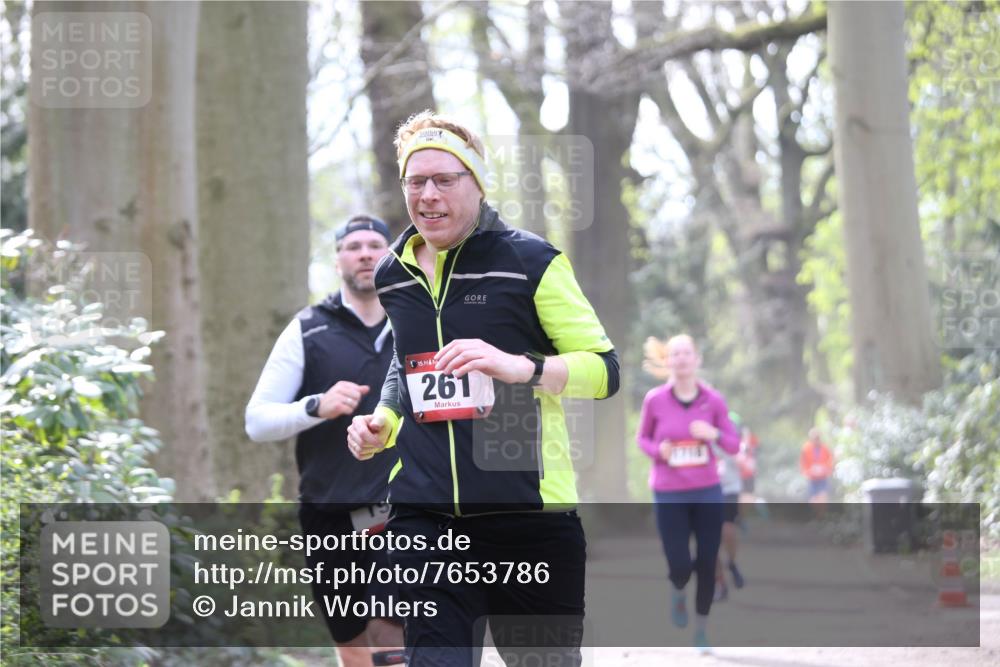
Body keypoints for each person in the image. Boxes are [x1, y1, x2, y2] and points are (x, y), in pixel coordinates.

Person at [346, 111, 620, 667]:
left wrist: (525, 368)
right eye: (415, 182)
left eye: (444, 180)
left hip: (528, 517)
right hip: (426, 519)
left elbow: (605, 369)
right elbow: (407, 361)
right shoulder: (393, 274)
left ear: (476, 184)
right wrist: (384, 421)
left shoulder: (529, 261)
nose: (428, 195)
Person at [245, 215, 404, 667]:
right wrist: (316, 405)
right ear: (338, 261)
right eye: (353, 246)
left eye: (376, 244)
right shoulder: (307, 328)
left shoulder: (417, 321)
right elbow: (256, 421)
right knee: (353, 650)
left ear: (391, 256)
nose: (366, 253)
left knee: (394, 645)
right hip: (330, 513)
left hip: (405, 510)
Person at [637, 334, 740, 654]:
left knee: (708, 561)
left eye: (687, 353)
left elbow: (734, 445)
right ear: (668, 361)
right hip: (669, 493)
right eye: (675, 353)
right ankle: (678, 589)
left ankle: (701, 629)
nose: (681, 358)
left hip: (707, 491)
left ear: (697, 359)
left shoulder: (713, 400)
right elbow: (642, 440)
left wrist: (714, 433)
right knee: (680, 564)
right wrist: (660, 450)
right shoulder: (655, 400)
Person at [713, 412, 745, 602]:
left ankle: (731, 563)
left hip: (729, 490)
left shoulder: (733, 436)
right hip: (706, 490)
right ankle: (720, 582)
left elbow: (744, 459)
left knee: (727, 530)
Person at [800, 427, 834, 507]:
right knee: (813, 499)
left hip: (823, 477)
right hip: (812, 477)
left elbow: (830, 460)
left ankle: (822, 515)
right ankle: (814, 516)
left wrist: (826, 468)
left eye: (817, 438)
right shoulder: (806, 448)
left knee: (823, 496)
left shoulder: (824, 448)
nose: (816, 440)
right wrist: (808, 471)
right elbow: (803, 463)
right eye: (814, 438)